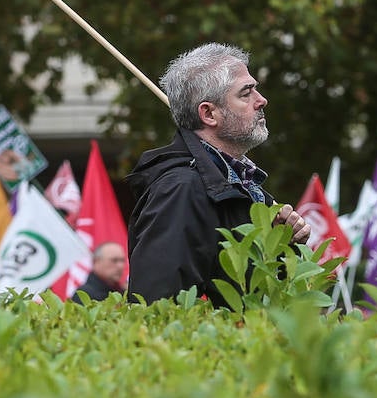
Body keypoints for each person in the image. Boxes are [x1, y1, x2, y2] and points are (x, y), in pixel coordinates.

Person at [126, 43, 310, 304]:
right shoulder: (180, 190)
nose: (262, 100)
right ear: (209, 113)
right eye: (246, 93)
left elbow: (254, 299)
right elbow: (156, 309)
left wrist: (281, 245)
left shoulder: (237, 184)